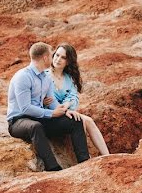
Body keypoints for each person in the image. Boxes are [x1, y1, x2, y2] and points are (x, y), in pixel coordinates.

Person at [6, 42, 90, 171]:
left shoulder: (46, 77)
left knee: (75, 121)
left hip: (39, 118)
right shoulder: (22, 77)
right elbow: (25, 108)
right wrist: (51, 114)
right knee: (35, 126)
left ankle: (85, 163)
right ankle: (53, 168)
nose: (53, 58)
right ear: (45, 58)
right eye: (52, 55)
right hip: (18, 121)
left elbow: (51, 102)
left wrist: (65, 112)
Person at [48, 43, 110, 156]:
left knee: (89, 121)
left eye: (63, 57)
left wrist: (66, 106)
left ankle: (107, 155)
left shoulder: (69, 78)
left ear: (68, 61)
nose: (58, 59)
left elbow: (73, 97)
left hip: (65, 113)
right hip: (50, 115)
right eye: (57, 55)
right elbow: (47, 100)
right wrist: (64, 109)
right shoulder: (45, 75)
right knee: (82, 121)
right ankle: (84, 157)